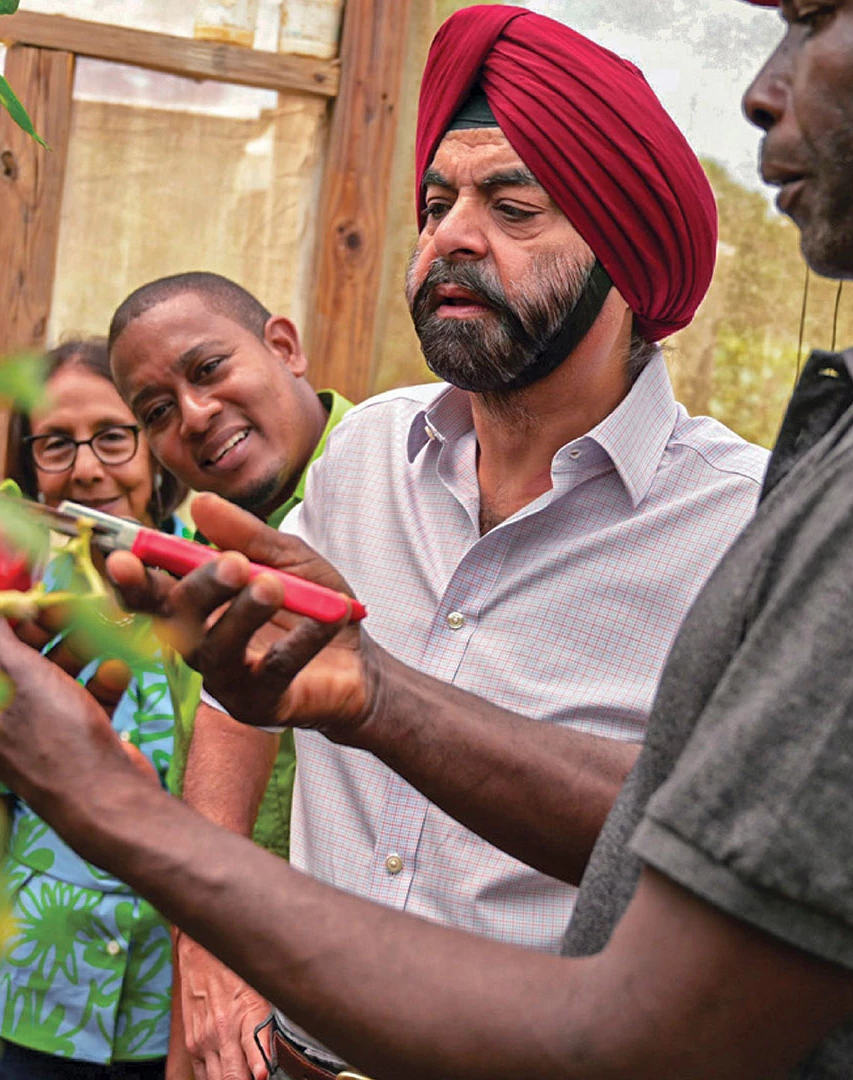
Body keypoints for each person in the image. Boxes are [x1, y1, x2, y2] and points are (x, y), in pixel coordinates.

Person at [0, 0, 853, 1075]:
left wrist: (113, 806)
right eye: (436, 202)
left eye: (816, 17)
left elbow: (640, 1028)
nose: (765, 91)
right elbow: (702, 827)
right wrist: (372, 695)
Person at [144, 16, 765, 1078]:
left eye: (512, 206)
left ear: (626, 251)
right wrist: (207, 953)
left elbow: (746, 874)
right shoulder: (367, 455)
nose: (450, 237)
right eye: (436, 205)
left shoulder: (744, 530)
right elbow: (233, 691)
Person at [0, 339, 193, 1080]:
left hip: (176, 1026)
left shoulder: (211, 590)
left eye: (112, 435)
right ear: (28, 463)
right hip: (17, 1019)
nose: (88, 467)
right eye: (56, 444)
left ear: (156, 447)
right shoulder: (8, 606)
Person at [103, 271, 355, 1080]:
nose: (196, 416)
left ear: (283, 346)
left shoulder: (397, 478)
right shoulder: (202, 564)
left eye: (207, 370)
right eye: (157, 413)